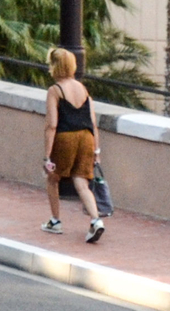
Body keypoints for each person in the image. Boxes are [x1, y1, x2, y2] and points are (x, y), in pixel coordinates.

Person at [42, 49, 106, 243]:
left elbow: (52, 124)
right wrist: (96, 150)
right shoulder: (83, 89)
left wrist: (47, 156)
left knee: (53, 178)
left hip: (65, 137)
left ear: (55, 66)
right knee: (81, 181)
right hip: (86, 137)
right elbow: (93, 122)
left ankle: (55, 221)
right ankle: (96, 221)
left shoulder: (55, 90)